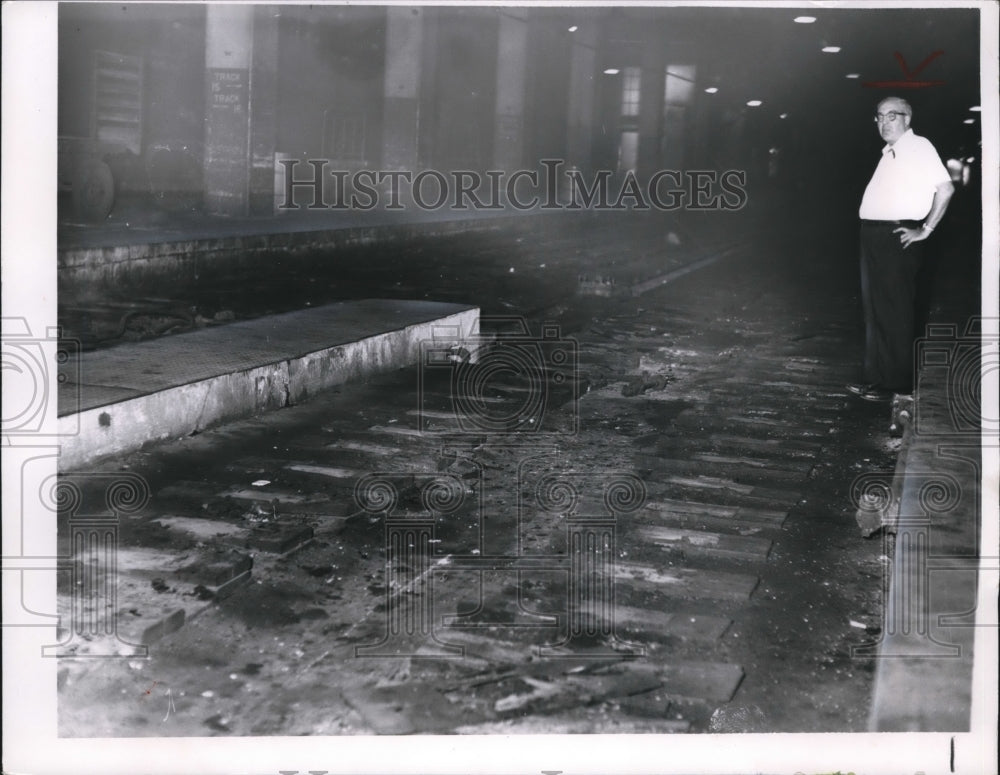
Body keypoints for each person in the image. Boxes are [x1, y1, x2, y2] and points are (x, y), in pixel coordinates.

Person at [848, 96, 954, 403]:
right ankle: (876, 378)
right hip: (873, 235)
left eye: (891, 116)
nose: (883, 123)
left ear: (907, 118)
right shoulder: (889, 153)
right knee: (875, 310)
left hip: (896, 235)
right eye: (879, 117)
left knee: (895, 309)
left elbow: (945, 189)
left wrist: (926, 229)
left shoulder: (919, 147)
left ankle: (898, 384)